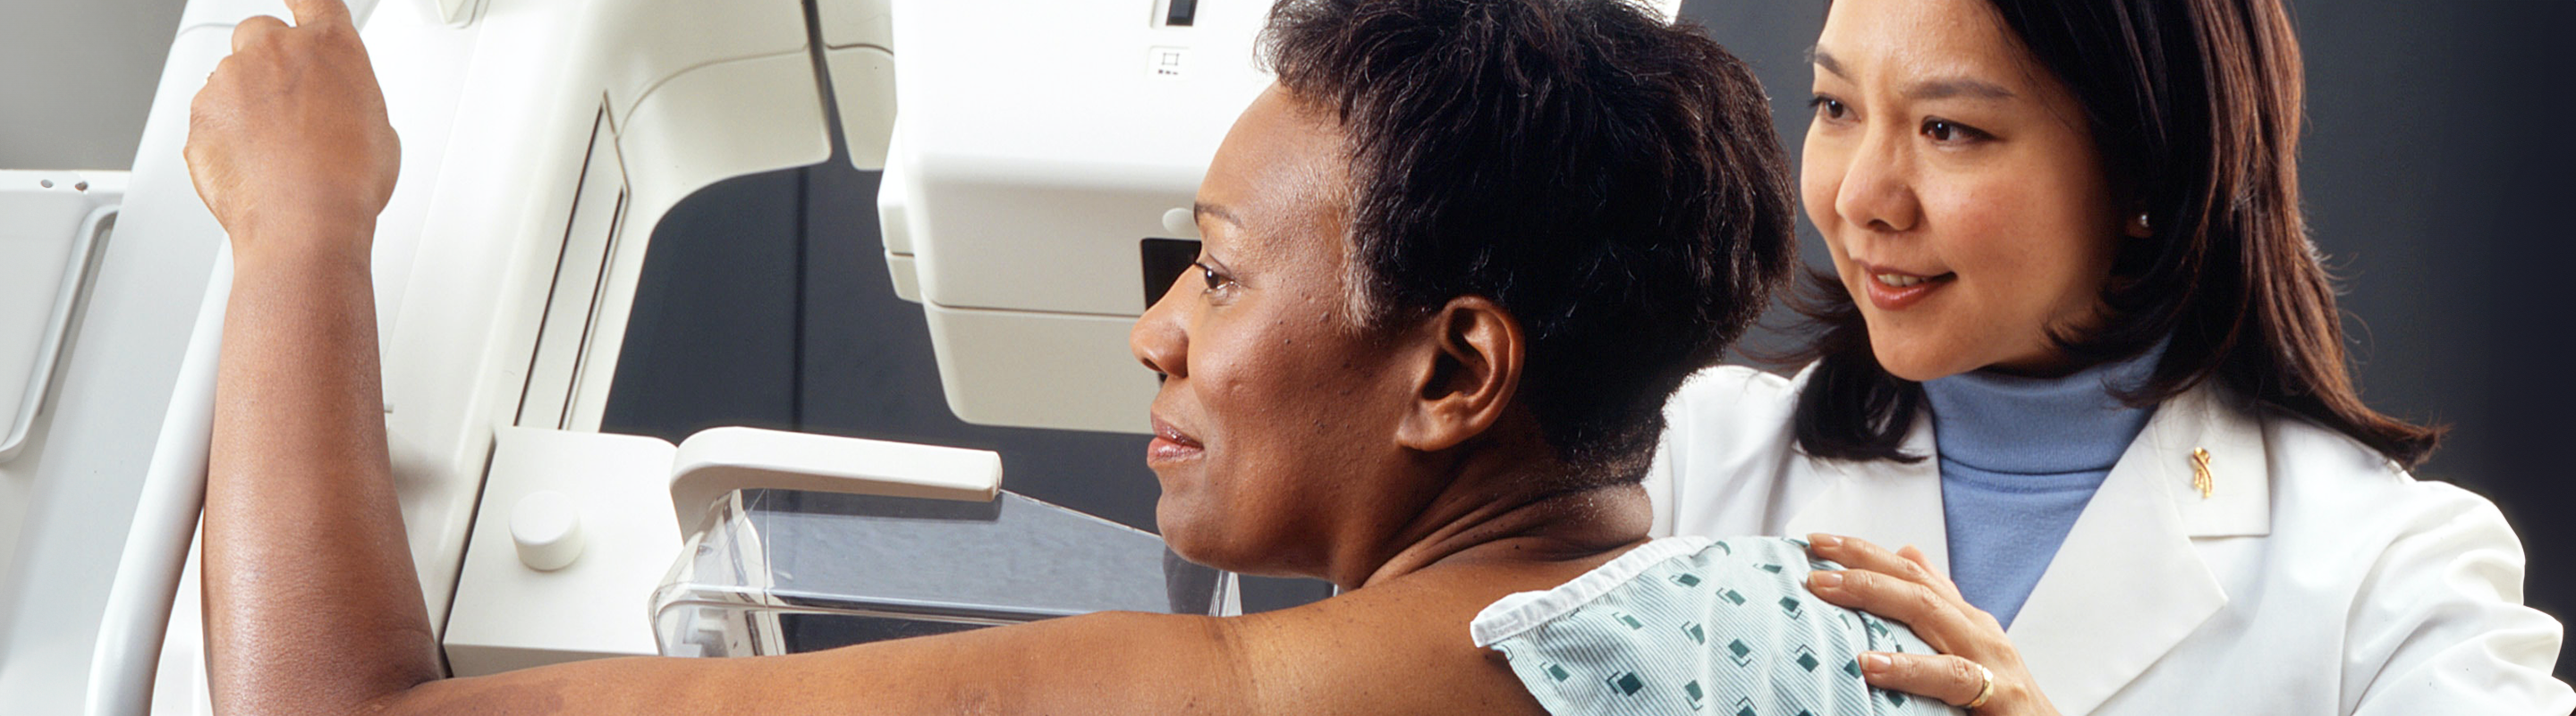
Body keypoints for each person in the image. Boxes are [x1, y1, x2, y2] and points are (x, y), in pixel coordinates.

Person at [184, 0, 1945, 713]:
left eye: (1224, 273)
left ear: (1454, 368)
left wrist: (302, 223)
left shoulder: (1253, 695)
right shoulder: (1832, 627)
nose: (1154, 325)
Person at [1646, 0, 2576, 713]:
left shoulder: (2393, 578)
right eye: (1836, 105)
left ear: (2146, 173)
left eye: (1949, 129)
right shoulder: (1680, 462)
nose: (1861, 196)